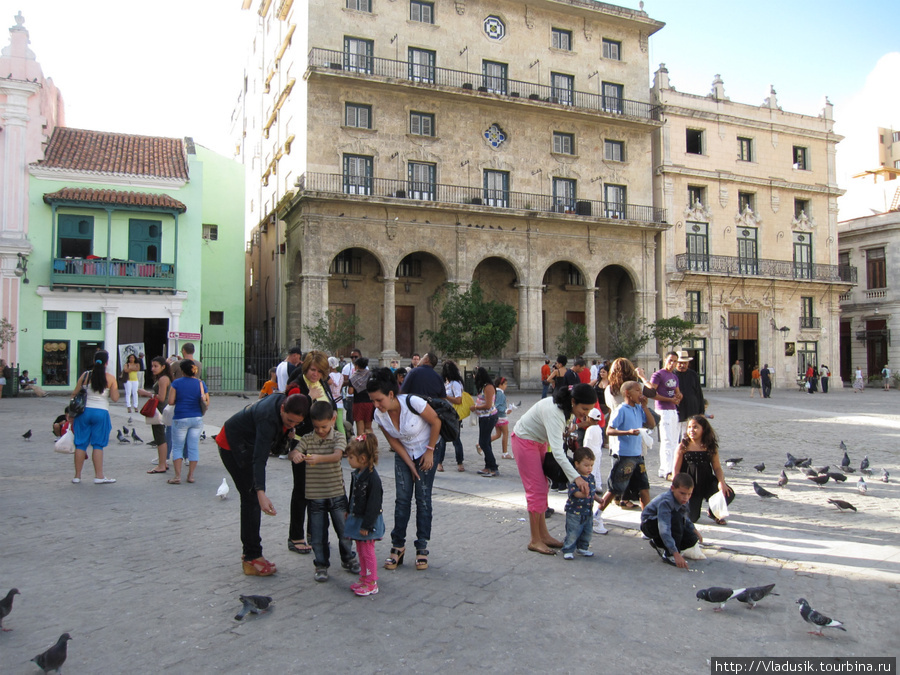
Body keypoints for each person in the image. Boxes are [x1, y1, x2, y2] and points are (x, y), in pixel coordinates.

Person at [217, 392, 310, 576]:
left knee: (251, 496)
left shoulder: (284, 404)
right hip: (232, 444)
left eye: (296, 423)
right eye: (289, 421)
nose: (291, 425)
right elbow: (259, 459)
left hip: (247, 443)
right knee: (251, 497)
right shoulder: (267, 418)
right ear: (282, 408)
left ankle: (252, 554)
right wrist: (261, 492)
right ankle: (252, 556)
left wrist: (289, 433)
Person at [367, 367, 442, 572]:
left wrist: (429, 451)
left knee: (423, 498)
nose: (376, 405)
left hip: (427, 449)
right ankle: (398, 546)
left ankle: (422, 547)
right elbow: (392, 440)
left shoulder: (413, 403)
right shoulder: (378, 414)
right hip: (405, 454)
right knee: (402, 499)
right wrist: (408, 462)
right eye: (373, 401)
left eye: (379, 400)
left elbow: (436, 422)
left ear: (391, 394)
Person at [511, 383, 598, 555]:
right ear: (573, 401)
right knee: (535, 490)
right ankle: (534, 540)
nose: (586, 414)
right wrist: (577, 478)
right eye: (585, 408)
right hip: (524, 441)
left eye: (589, 410)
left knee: (542, 487)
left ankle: (543, 535)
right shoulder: (555, 412)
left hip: (538, 442)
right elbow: (558, 453)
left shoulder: (566, 409)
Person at [289, 400, 358, 583]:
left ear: (333, 419)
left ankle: (348, 558)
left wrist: (318, 458)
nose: (320, 430)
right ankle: (321, 564)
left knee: (344, 532)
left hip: (336, 494)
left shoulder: (338, 437)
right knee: (318, 535)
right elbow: (293, 452)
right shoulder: (307, 439)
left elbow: (337, 455)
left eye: (324, 426)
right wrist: (295, 455)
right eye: (317, 427)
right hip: (314, 496)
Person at [284, 350, 338, 554]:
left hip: (324, 444)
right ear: (305, 368)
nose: (315, 374)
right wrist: (308, 398)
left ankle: (313, 533)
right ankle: (295, 536)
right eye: (312, 370)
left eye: (319, 371)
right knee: (301, 492)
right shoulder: (297, 384)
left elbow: (331, 406)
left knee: (317, 492)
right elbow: (291, 412)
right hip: (302, 444)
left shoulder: (322, 383)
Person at [596, 381, 656, 514]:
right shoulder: (621, 410)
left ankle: (647, 520)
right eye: (637, 391)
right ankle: (597, 515)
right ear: (628, 393)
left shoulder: (639, 408)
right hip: (625, 455)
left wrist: (645, 407)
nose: (641, 394)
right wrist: (627, 432)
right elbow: (609, 430)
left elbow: (652, 424)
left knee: (644, 488)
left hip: (638, 455)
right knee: (615, 488)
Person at [672, 415, 734, 525]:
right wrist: (676, 486)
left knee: (728, 493)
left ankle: (714, 512)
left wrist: (721, 482)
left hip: (706, 481)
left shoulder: (710, 446)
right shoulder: (683, 446)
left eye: (695, 427)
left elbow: (717, 467)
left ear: (703, 429)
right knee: (692, 518)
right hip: (690, 485)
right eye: (689, 427)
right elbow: (676, 469)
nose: (691, 430)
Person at [345, 432, 385, 597]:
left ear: (362, 458)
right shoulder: (358, 474)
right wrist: (349, 510)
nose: (348, 460)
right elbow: (353, 494)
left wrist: (367, 525)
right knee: (361, 549)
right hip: (359, 517)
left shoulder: (372, 478)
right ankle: (364, 576)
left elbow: (374, 505)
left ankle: (372, 581)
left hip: (368, 522)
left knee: (367, 551)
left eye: (351, 457)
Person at [71, 349, 119, 484]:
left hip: (84, 412)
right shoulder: (110, 378)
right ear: (107, 362)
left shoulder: (85, 376)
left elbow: (74, 393)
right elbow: (115, 398)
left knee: (80, 444)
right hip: (101, 412)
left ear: (94, 361)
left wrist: (70, 413)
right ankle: (99, 476)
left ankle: (77, 476)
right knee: (98, 445)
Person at [640, 473, 703, 569]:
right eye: (682, 493)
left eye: (689, 494)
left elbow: (685, 517)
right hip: (650, 524)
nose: (686, 497)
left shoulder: (684, 500)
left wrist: (694, 530)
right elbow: (664, 528)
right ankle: (669, 554)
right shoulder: (666, 502)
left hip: (667, 521)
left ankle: (659, 543)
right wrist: (675, 553)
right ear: (673, 488)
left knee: (692, 539)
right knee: (676, 519)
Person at [167, 360, 208, 485]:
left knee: (178, 447)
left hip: (181, 417)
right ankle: (191, 475)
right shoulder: (201, 383)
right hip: (196, 418)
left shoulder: (177, 383)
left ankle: (177, 476)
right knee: (193, 447)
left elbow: (170, 401)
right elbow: (206, 400)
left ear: (182, 370)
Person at [645, 352, 682, 479]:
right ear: (665, 360)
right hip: (663, 409)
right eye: (670, 360)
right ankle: (666, 469)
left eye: (675, 361)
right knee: (666, 440)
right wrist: (669, 399)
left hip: (673, 409)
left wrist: (678, 397)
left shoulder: (674, 376)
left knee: (674, 441)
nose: (672, 364)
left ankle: (672, 467)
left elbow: (677, 392)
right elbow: (652, 393)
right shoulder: (658, 375)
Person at [562, 446, 598, 560]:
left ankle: (583, 547)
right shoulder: (574, 478)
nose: (589, 468)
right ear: (577, 464)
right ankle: (568, 549)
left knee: (587, 531)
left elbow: (592, 491)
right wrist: (583, 495)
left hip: (587, 511)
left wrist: (597, 498)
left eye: (591, 465)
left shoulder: (591, 477)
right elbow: (574, 493)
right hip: (575, 511)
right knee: (573, 531)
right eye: (586, 465)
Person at [139, 357, 172, 474]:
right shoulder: (164, 378)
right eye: (152, 366)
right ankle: (163, 462)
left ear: (163, 367)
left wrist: (147, 393)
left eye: (155, 366)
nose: (153, 369)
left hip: (160, 411)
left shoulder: (163, 379)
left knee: (160, 437)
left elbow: (161, 397)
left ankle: (161, 464)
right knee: (160, 436)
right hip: (162, 410)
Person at [436, 360, 466, 472]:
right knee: (442, 440)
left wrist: (446, 397)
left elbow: (458, 400)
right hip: (443, 413)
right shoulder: (445, 383)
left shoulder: (456, 384)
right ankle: (439, 462)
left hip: (453, 414)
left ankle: (459, 462)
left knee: (456, 439)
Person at [582, 409, 608, 535]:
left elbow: (586, 443)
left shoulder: (590, 430)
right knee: (597, 469)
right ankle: (597, 484)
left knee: (590, 471)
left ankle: (592, 485)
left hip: (590, 452)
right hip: (598, 451)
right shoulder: (599, 428)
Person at [472, 367, 500, 477]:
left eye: (475, 375)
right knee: (486, 441)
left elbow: (488, 405)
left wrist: (475, 407)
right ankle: (488, 466)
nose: (473, 377)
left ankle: (493, 467)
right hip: (484, 417)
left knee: (483, 442)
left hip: (489, 416)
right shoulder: (483, 387)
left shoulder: (488, 387)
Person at [674, 351, 705, 441]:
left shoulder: (693, 374)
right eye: (680, 363)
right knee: (675, 435)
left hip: (691, 409)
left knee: (688, 435)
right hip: (678, 409)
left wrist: (701, 411)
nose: (683, 365)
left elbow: (699, 393)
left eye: (685, 363)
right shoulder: (672, 374)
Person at [349, 357, 375, 435]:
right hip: (369, 402)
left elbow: (350, 391)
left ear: (357, 366)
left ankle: (361, 445)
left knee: (360, 428)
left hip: (358, 403)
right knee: (368, 427)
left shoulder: (353, 377)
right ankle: (370, 444)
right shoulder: (370, 374)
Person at [491, 376, 512, 460]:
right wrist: (506, 410)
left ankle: (481, 444)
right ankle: (505, 453)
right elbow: (498, 406)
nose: (506, 386)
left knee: (498, 434)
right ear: (500, 384)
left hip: (496, 416)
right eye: (505, 384)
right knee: (505, 433)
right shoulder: (500, 393)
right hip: (501, 416)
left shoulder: (496, 392)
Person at [326, 356, 347, 438]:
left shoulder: (329, 376)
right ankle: (343, 440)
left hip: (331, 401)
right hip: (340, 401)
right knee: (340, 424)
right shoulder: (341, 376)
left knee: (331, 424)